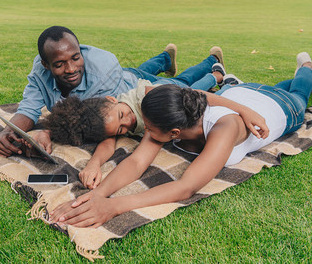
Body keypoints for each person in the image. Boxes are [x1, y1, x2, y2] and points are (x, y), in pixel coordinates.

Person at [48, 52, 312, 228]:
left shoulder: (225, 127)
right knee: (266, 86)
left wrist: (113, 206)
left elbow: (185, 187)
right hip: (238, 93)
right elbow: (136, 163)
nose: (144, 132)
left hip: (282, 106)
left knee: (300, 91)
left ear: (174, 133)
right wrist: (96, 196)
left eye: (149, 128)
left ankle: (306, 66)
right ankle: (235, 83)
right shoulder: (170, 113)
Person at [0, 25, 225, 157]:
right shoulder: (40, 70)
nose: (71, 68)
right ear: (46, 64)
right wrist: (8, 131)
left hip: (137, 90)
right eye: (59, 64)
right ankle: (165, 58)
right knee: (141, 69)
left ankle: (213, 67)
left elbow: (85, 120)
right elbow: (28, 109)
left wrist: (48, 131)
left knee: (182, 85)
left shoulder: (103, 71)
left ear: (81, 51)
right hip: (126, 77)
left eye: (76, 58)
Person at [45, 68, 246, 189]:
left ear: (113, 100)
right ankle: (224, 81)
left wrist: (245, 111)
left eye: (122, 115)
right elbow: (106, 145)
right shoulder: (110, 124)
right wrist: (93, 164)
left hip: (165, 92)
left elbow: (198, 95)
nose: (129, 123)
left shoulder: (144, 98)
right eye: (120, 131)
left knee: (190, 86)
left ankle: (217, 75)